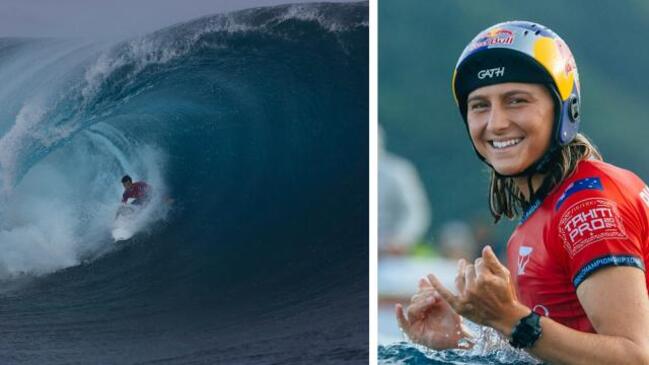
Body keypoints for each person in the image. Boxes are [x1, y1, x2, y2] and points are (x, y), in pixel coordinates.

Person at [395, 21, 649, 364]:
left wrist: (507, 317)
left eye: (516, 100)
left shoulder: (587, 208)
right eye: (480, 105)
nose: (496, 123)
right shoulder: (539, 219)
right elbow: (552, 348)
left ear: (564, 108)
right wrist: (460, 343)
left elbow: (634, 357)